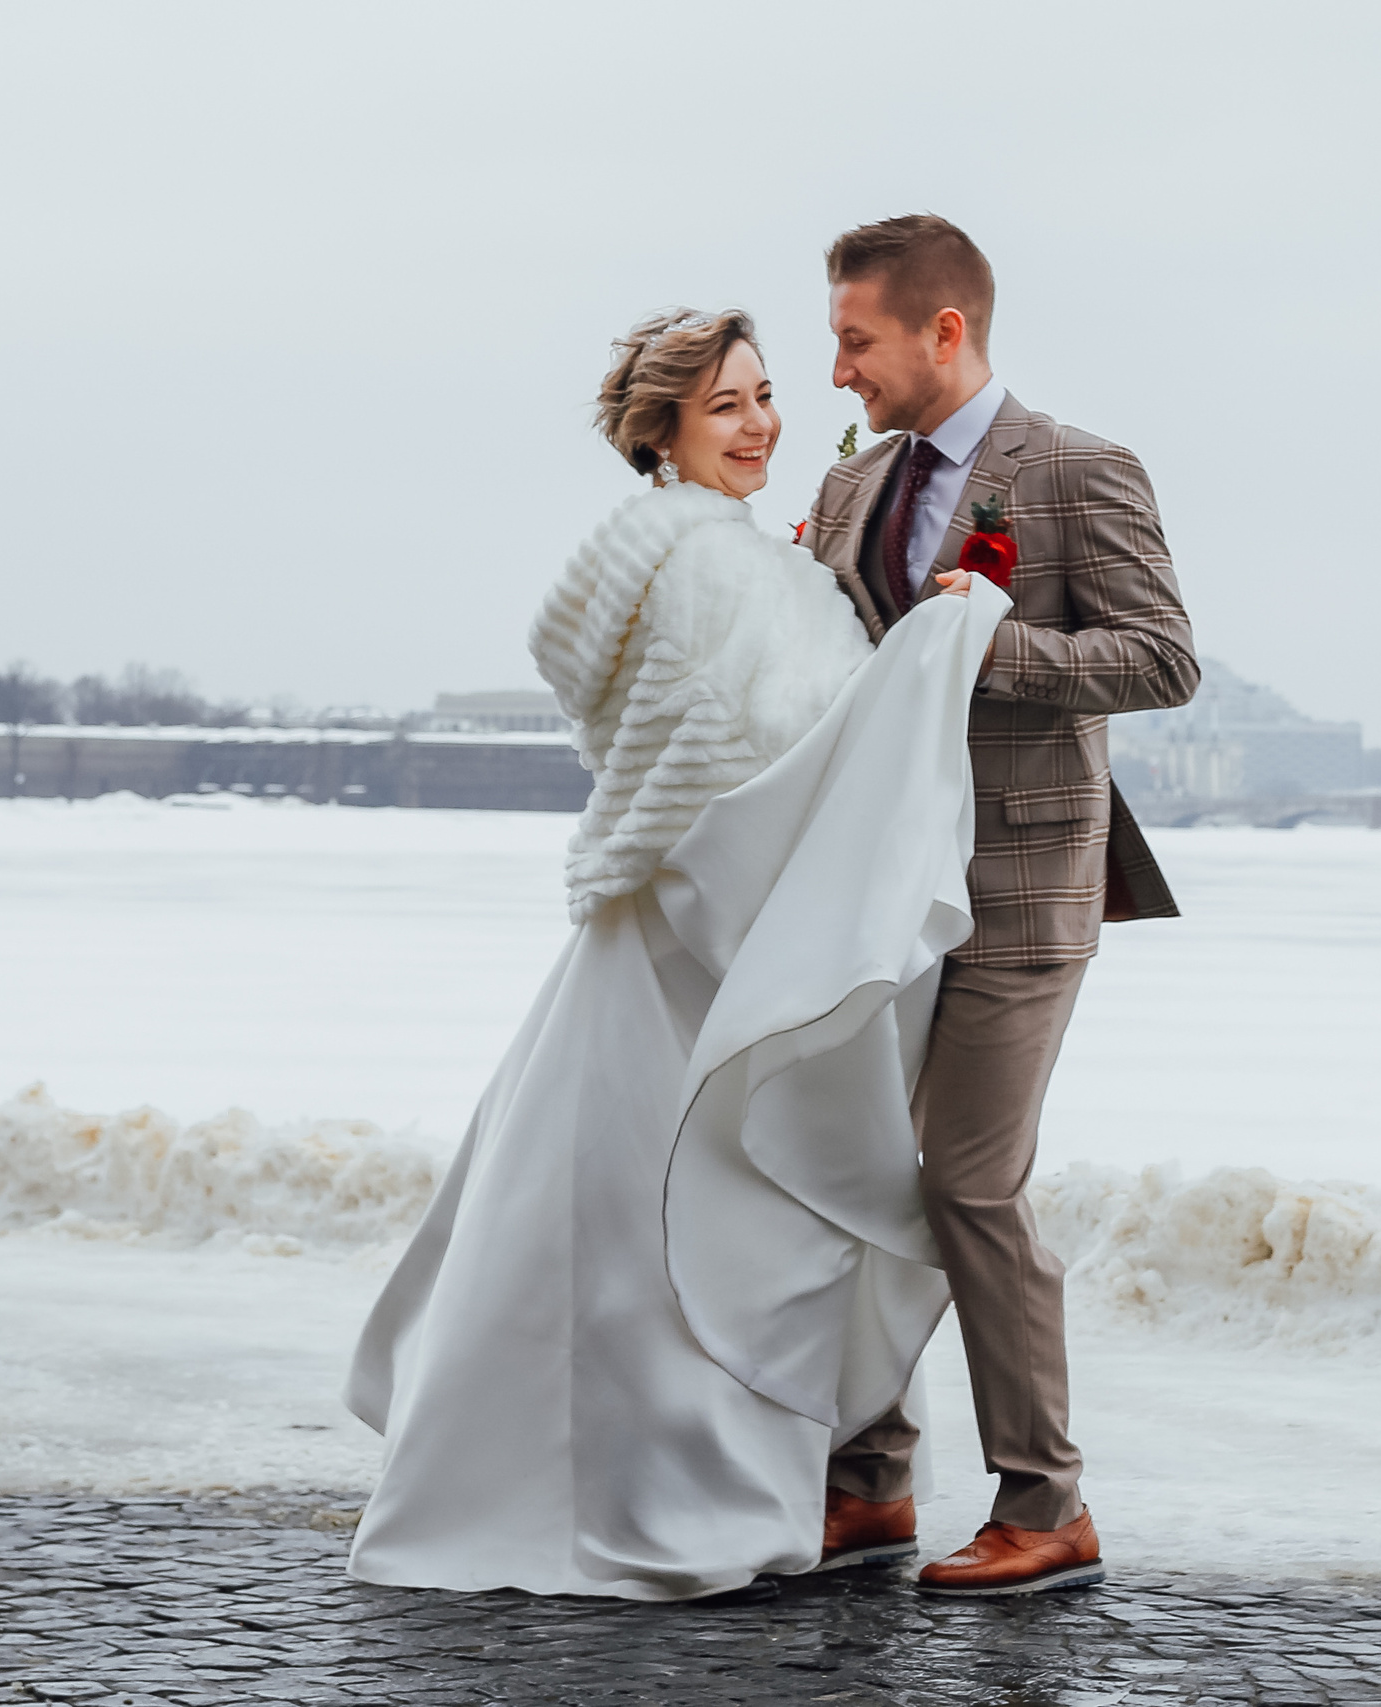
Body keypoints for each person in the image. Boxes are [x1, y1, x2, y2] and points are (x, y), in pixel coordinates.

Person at [343, 307, 1009, 1603]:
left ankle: (583, 1480)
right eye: (727, 407)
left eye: (766, 398)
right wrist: (942, 640)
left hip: (640, 931)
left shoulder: (685, 560)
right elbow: (769, 747)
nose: (761, 425)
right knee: (690, 1228)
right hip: (698, 942)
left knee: (600, 1224)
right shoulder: (714, 569)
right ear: (662, 431)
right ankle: (660, 1502)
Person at [801, 215, 1199, 1596]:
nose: (837, 368)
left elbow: (1161, 661)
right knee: (852, 1179)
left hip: (1023, 888)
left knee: (969, 1184)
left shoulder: (1079, 471)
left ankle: (1048, 1505)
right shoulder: (851, 491)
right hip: (874, 896)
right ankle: (867, 1488)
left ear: (942, 331)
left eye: (856, 340)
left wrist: (988, 639)